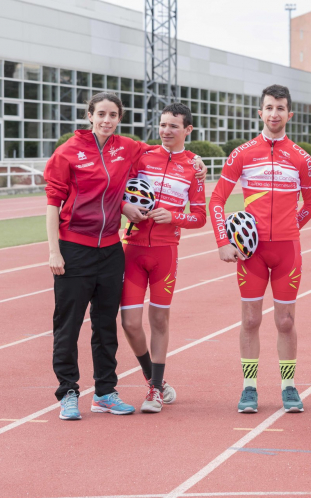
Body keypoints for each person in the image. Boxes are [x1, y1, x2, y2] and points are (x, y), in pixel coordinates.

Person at [45, 92, 206, 420]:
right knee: (84, 325)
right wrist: (54, 251)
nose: (106, 120)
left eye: (112, 115)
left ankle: (110, 391)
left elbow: (172, 158)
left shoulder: (131, 148)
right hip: (90, 249)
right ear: (89, 115)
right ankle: (70, 392)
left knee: (107, 327)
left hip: (121, 250)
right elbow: (58, 202)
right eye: (100, 113)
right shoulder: (71, 153)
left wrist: (196, 162)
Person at [209, 84, 311, 414]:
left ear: (289, 113)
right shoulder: (242, 153)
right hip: (250, 254)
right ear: (260, 112)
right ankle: (249, 388)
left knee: (285, 321)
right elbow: (216, 199)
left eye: (280, 108)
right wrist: (224, 242)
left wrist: (288, 228)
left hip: (287, 250)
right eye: (269, 107)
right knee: (251, 319)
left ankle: (288, 386)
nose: (274, 113)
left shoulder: (301, 158)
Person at [119, 103, 206, 413]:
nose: (166, 131)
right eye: (163, 125)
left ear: (188, 130)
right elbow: (117, 188)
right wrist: (125, 208)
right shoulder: (142, 157)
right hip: (134, 248)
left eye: (173, 126)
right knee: (129, 323)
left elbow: (200, 217)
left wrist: (173, 217)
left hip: (166, 253)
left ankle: (154, 389)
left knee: (158, 319)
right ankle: (152, 379)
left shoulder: (194, 168)